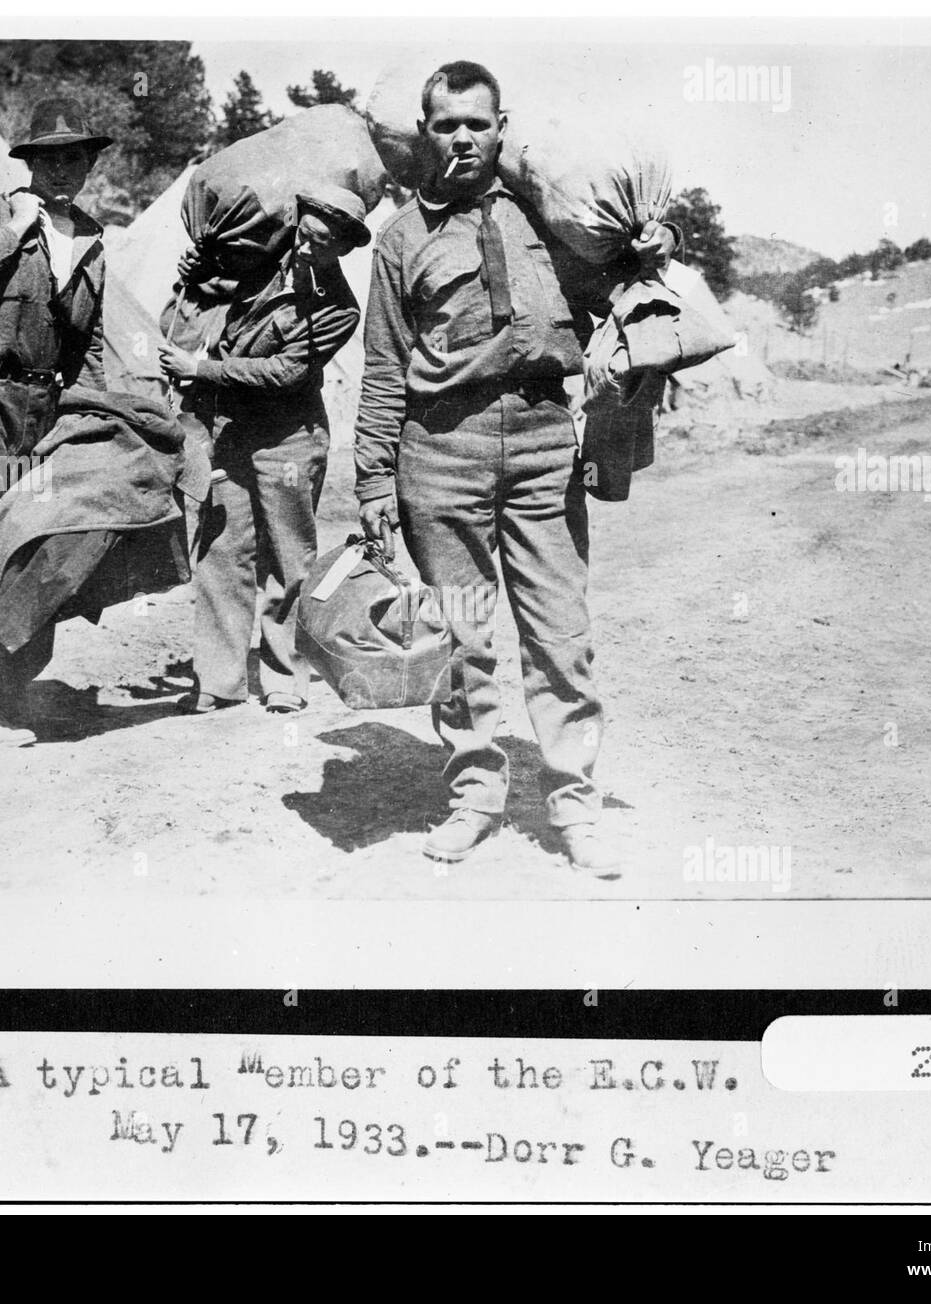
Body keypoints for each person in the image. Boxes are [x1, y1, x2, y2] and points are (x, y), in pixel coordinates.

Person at [353, 60, 677, 873]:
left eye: (476, 123)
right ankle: (475, 798)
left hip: (540, 444)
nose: (462, 138)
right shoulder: (401, 242)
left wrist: (666, 239)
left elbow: (635, 278)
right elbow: (385, 368)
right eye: (445, 124)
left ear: (502, 128)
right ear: (425, 134)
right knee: (463, 639)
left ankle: (575, 806)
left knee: (560, 634)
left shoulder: (556, 223)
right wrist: (370, 480)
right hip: (441, 453)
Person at [0, 95, 111, 746]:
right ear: (28, 162)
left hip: (43, 409)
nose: (62, 169)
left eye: (75, 157)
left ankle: (10, 693)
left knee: (30, 549)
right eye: (49, 157)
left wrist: (92, 417)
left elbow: (85, 344)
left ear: (89, 163)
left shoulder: (91, 237)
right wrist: (15, 228)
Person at [158, 186, 369, 715]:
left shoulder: (339, 309)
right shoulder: (263, 261)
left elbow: (286, 372)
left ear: (342, 250)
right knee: (222, 552)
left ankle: (284, 677)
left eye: (322, 244)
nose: (306, 249)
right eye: (304, 235)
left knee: (287, 558)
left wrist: (200, 370)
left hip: (289, 440)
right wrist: (197, 270)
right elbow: (209, 291)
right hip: (231, 433)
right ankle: (218, 679)